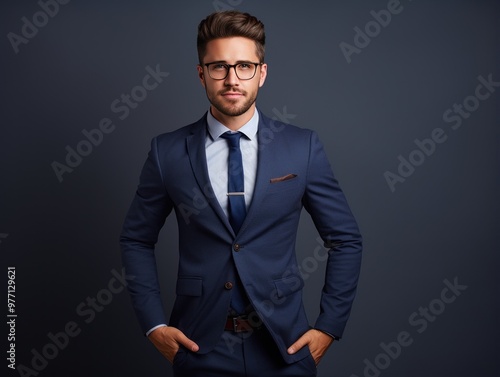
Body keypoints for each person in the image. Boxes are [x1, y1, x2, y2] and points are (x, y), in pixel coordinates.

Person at [120, 10, 362, 377]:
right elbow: (136, 238)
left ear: (261, 73)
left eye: (245, 66)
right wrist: (154, 325)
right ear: (201, 74)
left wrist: (329, 326)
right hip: (199, 348)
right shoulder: (166, 152)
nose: (232, 79)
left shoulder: (301, 147)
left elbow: (345, 238)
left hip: (286, 347)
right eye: (219, 67)